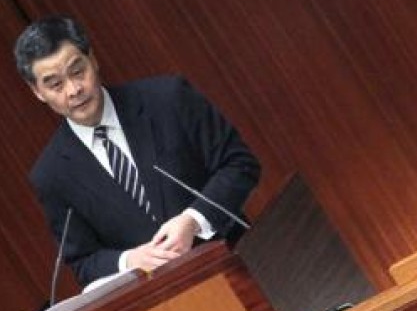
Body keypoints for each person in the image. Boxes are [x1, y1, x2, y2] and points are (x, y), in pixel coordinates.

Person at [14, 15, 260, 287]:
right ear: (37, 91)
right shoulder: (51, 175)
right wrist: (129, 260)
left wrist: (194, 219)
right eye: (55, 84)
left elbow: (240, 164)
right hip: (165, 305)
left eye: (77, 71)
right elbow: (83, 261)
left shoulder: (168, 99)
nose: (74, 90)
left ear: (93, 60)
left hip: (240, 263)